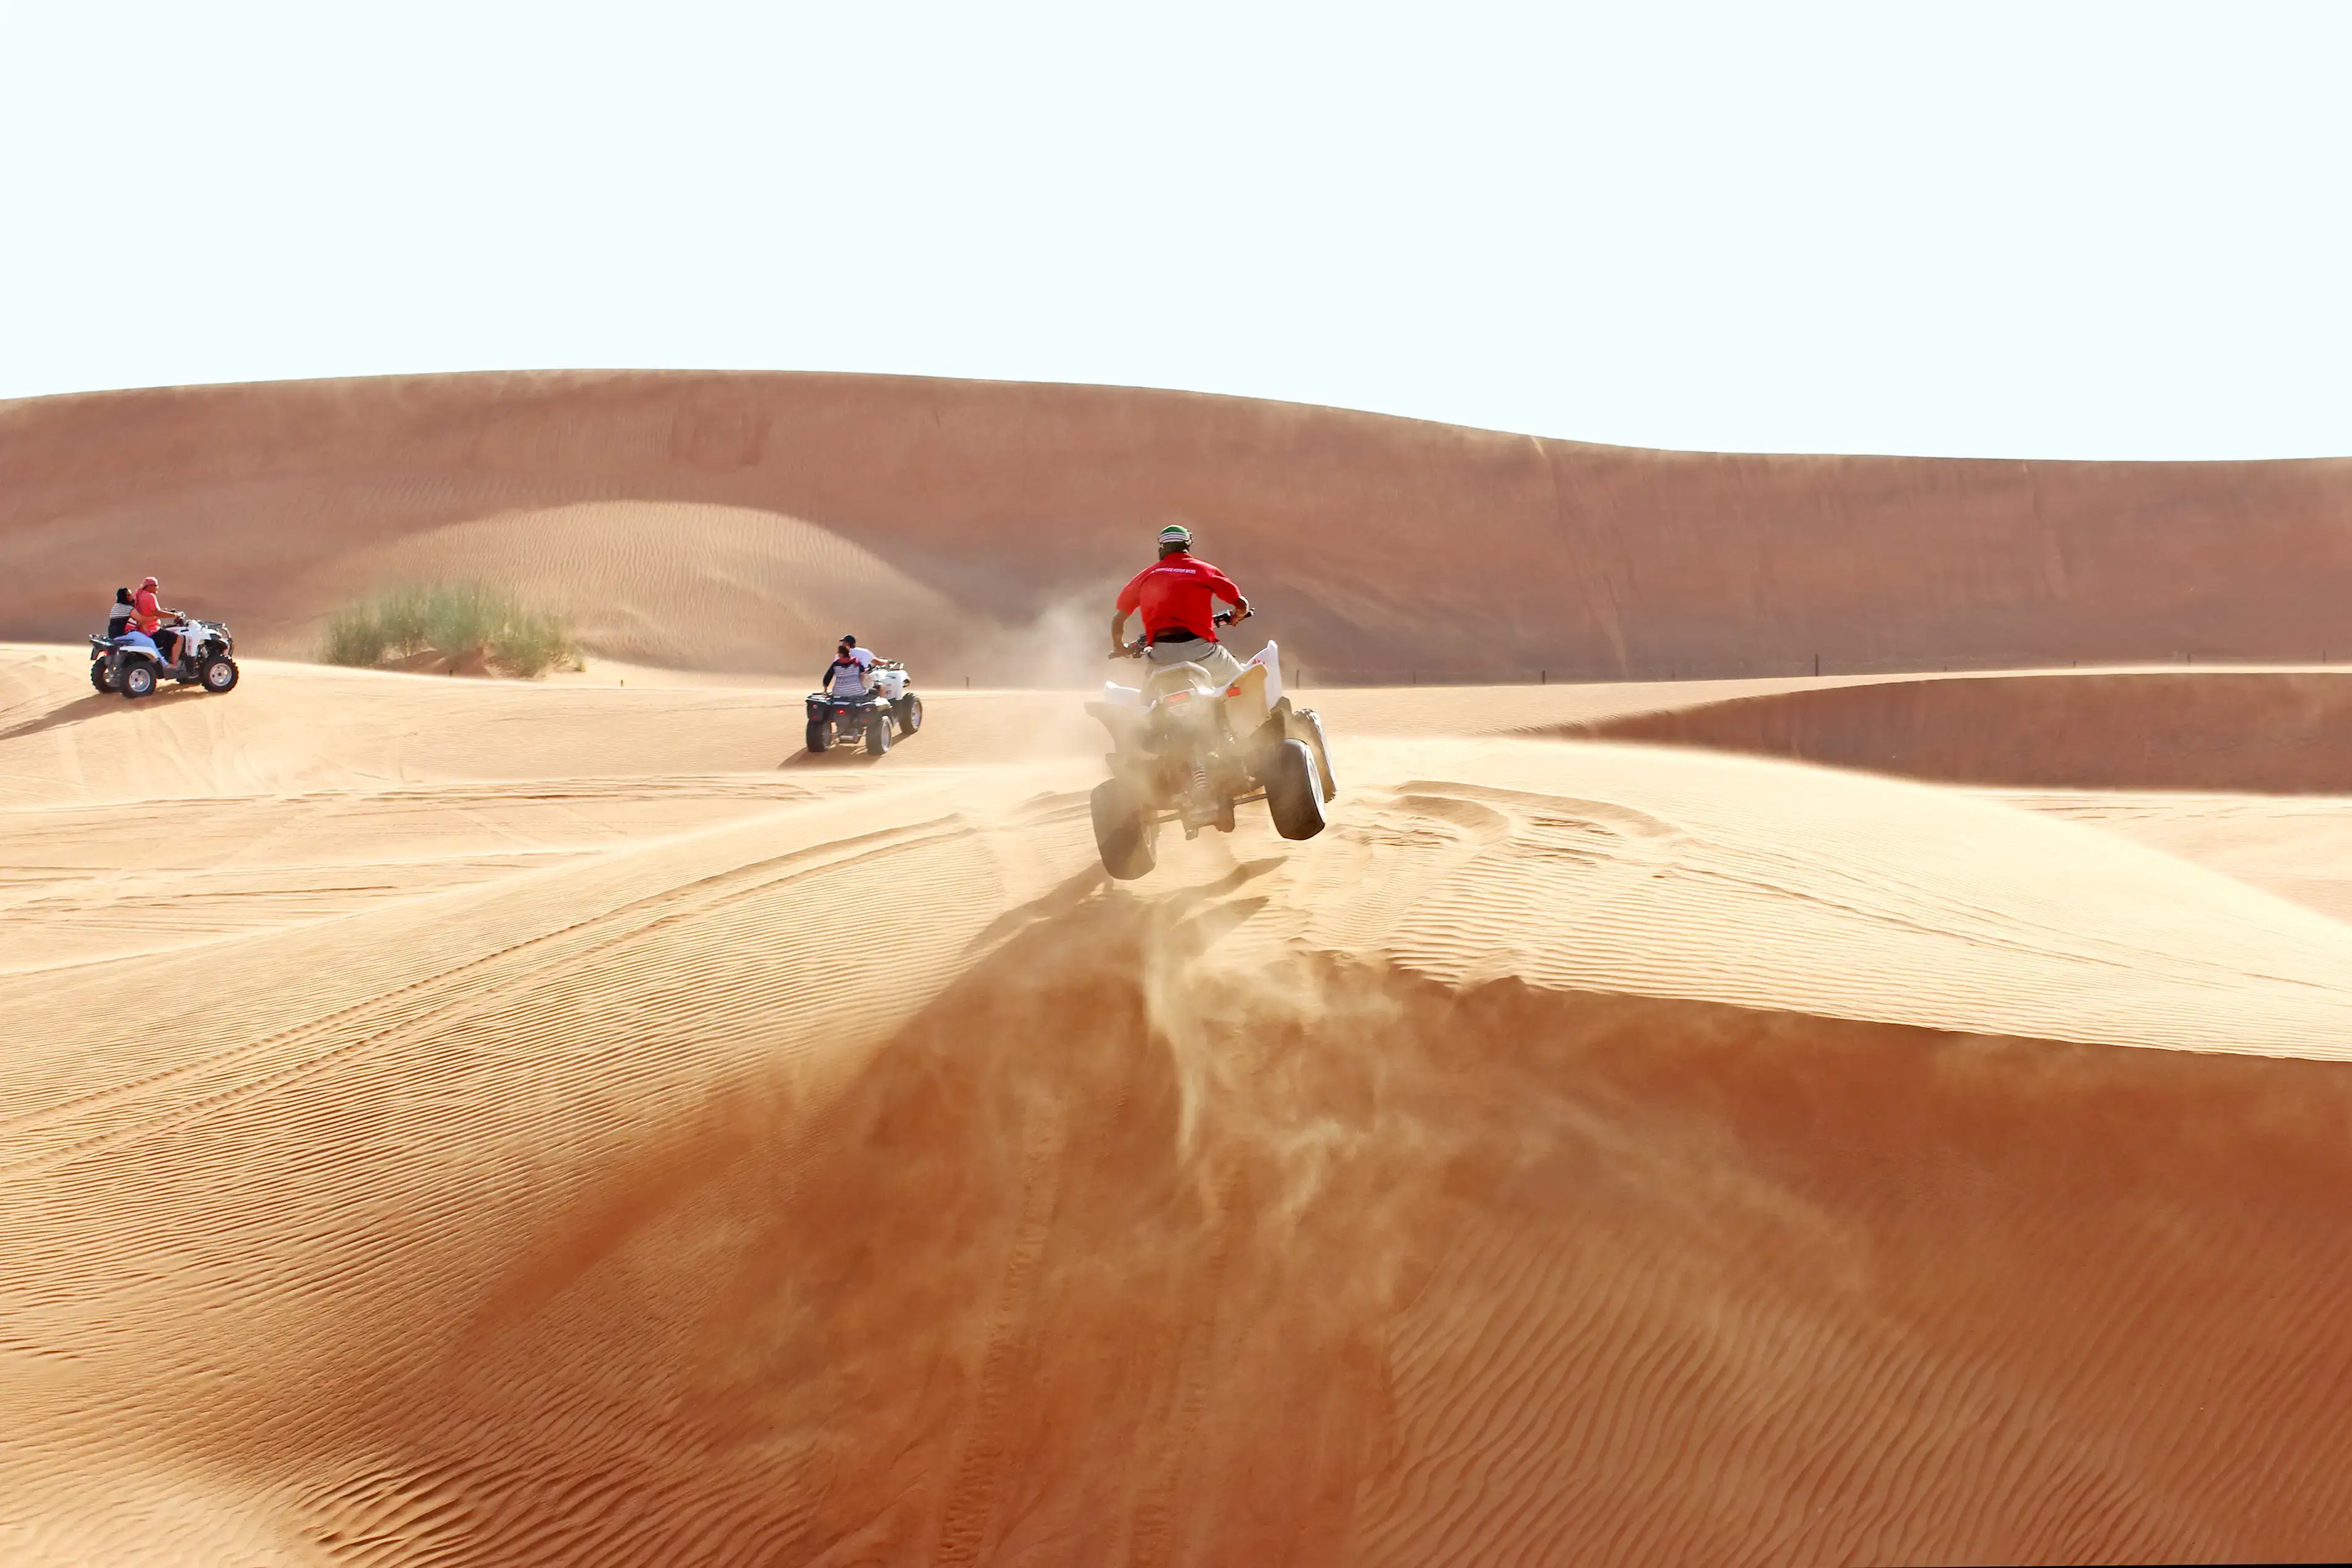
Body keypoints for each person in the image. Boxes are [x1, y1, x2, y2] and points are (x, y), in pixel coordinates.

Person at [1110, 525, 1250, 684]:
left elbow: (1118, 619)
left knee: (1147, 703)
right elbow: (1241, 604)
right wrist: (1236, 617)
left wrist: (1119, 647)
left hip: (1161, 654)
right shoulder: (1205, 570)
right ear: (1187, 546)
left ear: (1162, 548)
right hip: (1200, 650)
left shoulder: (1146, 575)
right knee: (1243, 683)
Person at [132, 575, 184, 666]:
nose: (157, 588)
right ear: (149, 586)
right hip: (152, 630)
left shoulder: (139, 596)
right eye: (155, 585)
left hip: (142, 630)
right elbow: (157, 613)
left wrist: (166, 612)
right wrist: (175, 615)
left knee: (168, 637)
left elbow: (149, 611)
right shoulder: (150, 596)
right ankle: (174, 665)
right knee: (179, 639)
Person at [822, 633, 880, 699]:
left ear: (840, 654)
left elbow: (828, 676)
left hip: (838, 692)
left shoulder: (835, 664)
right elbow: (862, 675)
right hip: (857, 692)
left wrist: (825, 691)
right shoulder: (857, 662)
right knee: (875, 692)